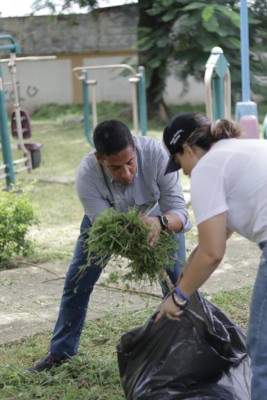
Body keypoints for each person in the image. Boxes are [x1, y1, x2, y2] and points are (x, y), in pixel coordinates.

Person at [28, 119, 191, 372]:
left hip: (157, 217)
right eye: (116, 168)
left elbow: (179, 211)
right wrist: (139, 250)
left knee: (179, 282)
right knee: (77, 280)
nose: (126, 174)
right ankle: (60, 353)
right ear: (99, 158)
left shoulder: (157, 155)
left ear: (135, 149)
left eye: (130, 163)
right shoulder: (87, 175)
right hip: (107, 224)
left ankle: (185, 349)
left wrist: (160, 222)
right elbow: (110, 232)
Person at [156, 111, 267, 400]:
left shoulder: (207, 167)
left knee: (262, 347)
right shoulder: (241, 148)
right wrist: (187, 271)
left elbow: (213, 253)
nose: (183, 171)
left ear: (188, 149)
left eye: (178, 161)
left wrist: (178, 297)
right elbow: (220, 233)